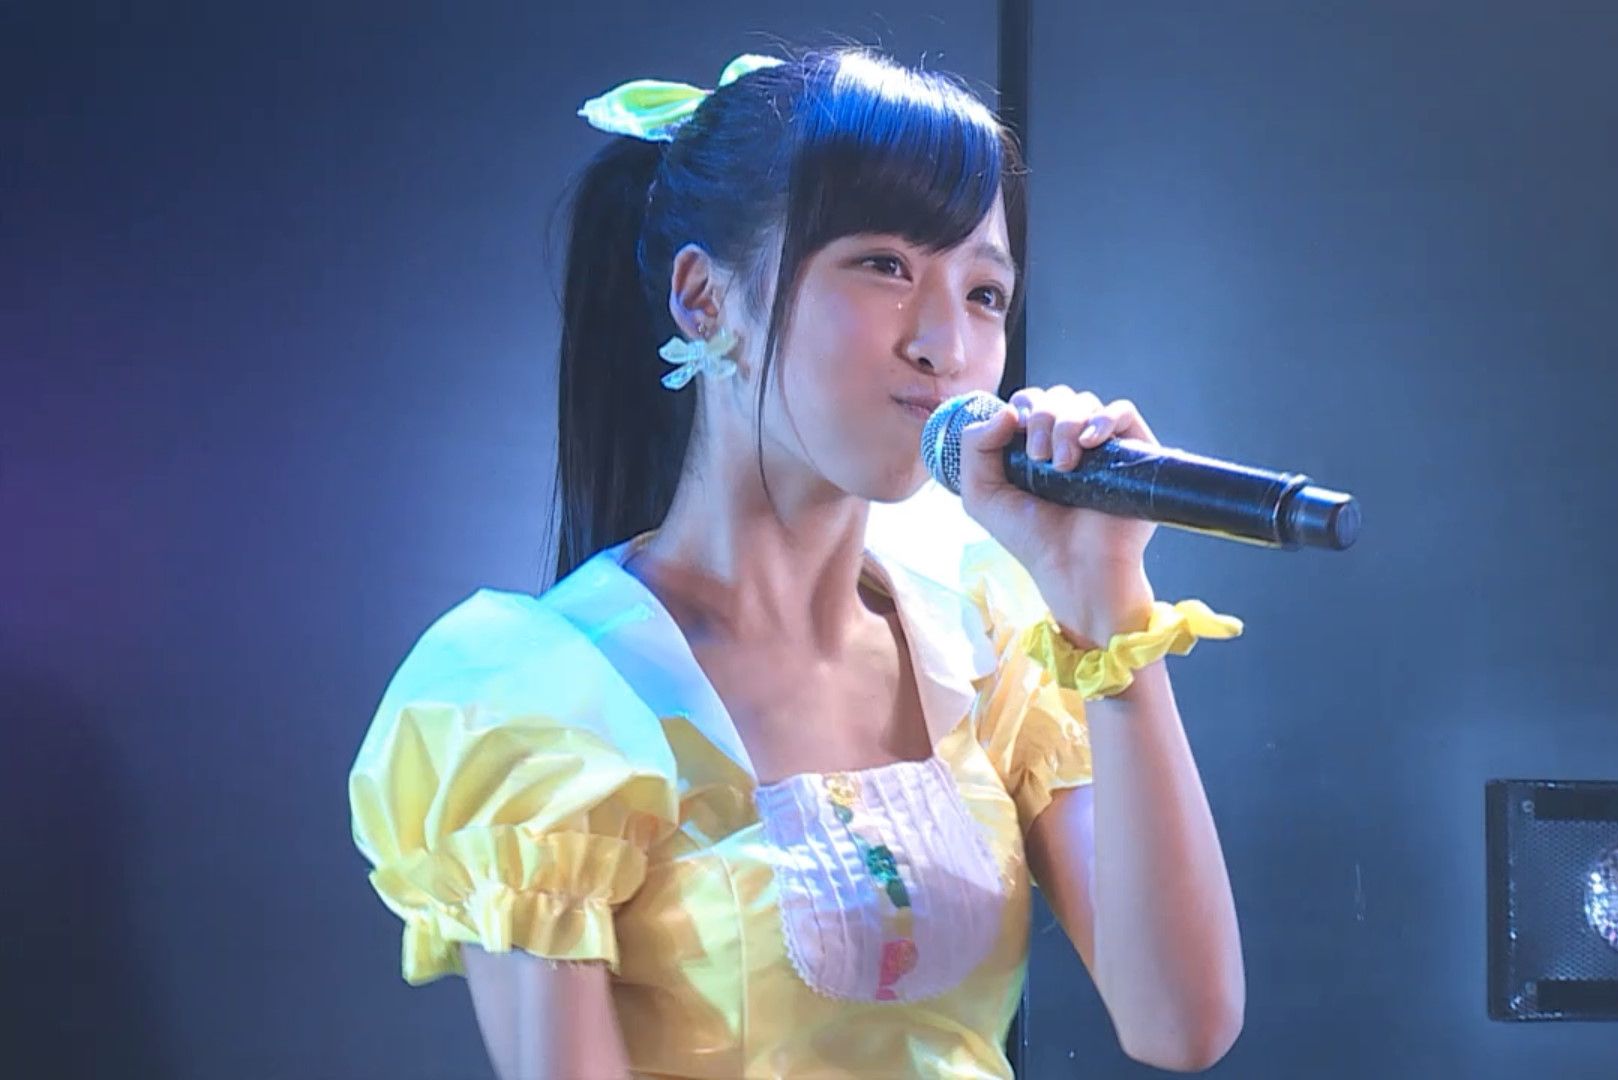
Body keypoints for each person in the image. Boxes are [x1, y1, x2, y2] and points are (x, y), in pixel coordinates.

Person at [347, 46, 1247, 1080]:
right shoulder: (546, 698)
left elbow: (1181, 1025)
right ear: (704, 299)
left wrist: (1105, 603)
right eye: (884, 266)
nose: (947, 344)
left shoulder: (978, 633)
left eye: (986, 292)